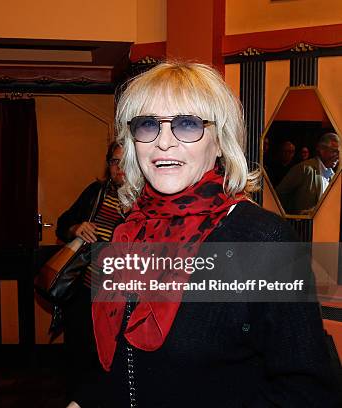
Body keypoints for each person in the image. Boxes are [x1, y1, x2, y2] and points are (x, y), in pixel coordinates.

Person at [68, 62, 338, 407]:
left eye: (187, 124)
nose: (164, 142)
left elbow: (307, 391)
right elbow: (123, 363)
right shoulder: (130, 233)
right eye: (148, 124)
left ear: (221, 142)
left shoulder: (262, 239)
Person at [56, 141, 126, 404]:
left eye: (124, 161)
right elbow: (63, 224)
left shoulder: (145, 199)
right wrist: (76, 228)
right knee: (78, 362)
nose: (119, 168)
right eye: (114, 161)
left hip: (117, 301)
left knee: (109, 365)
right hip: (84, 294)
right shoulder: (96, 192)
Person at [276, 133, 339, 214]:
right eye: (335, 151)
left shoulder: (334, 176)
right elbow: (278, 195)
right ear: (322, 149)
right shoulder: (304, 169)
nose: (338, 156)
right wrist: (295, 216)